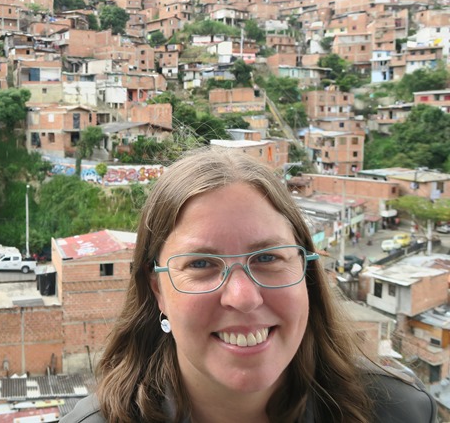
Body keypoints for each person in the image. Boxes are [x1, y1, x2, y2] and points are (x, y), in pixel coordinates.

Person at [62, 148, 435, 423]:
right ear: (157, 288)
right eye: (202, 264)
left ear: (305, 271)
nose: (243, 297)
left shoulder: (400, 412)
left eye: (268, 258)